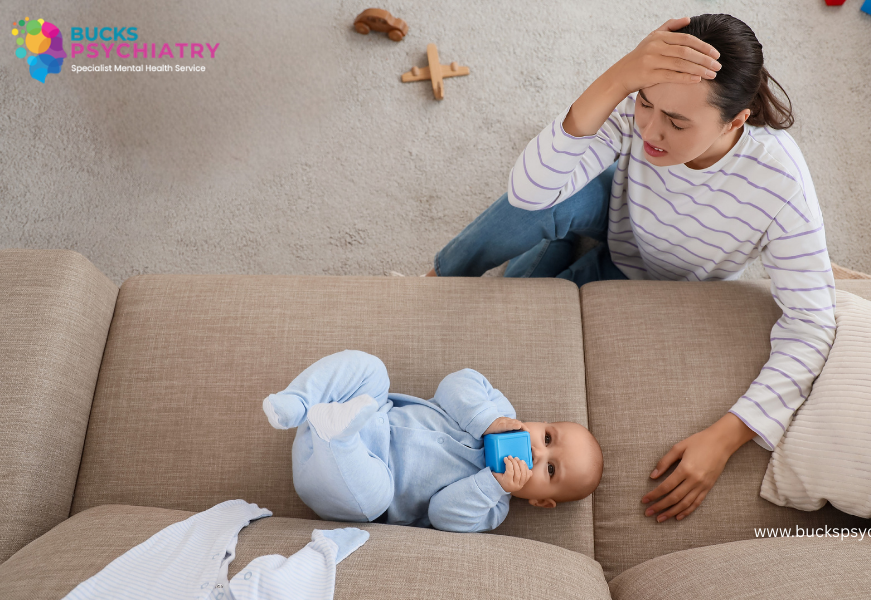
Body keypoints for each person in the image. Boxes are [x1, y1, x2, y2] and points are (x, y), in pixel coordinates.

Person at [427, 15, 835, 524]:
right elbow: (528, 194)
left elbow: (814, 325)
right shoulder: (637, 110)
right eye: (646, 103)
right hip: (617, 213)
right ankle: (442, 278)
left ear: (735, 121)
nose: (650, 129)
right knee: (548, 201)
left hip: (656, 280)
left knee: (517, 307)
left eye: (677, 122)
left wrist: (728, 435)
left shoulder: (780, 184)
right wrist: (621, 78)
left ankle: (565, 253)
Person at [262, 350, 604, 533]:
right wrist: (486, 421)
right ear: (540, 423)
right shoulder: (498, 411)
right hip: (369, 414)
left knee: (373, 500)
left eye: (550, 468)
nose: (536, 451)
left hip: (347, 481)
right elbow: (457, 382)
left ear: (541, 501)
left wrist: (492, 484)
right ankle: (297, 403)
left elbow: (443, 514)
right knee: (371, 369)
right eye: (546, 438)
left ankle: (338, 437)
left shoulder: (492, 508)